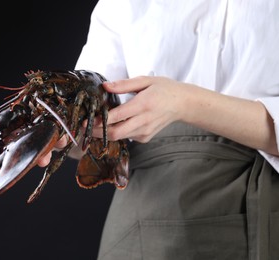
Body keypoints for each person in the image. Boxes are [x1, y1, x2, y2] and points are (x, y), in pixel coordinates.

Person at [39, 0, 279, 259]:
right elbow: (91, 116)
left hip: (262, 208)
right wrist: (58, 130)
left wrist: (182, 102)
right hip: (144, 214)